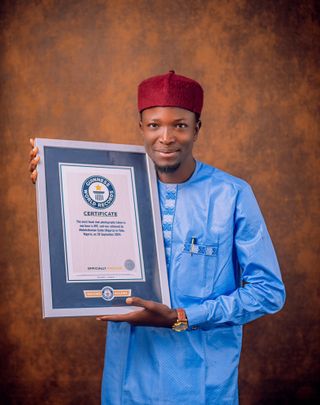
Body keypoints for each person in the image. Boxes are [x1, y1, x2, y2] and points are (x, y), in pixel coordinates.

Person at [29, 71, 285, 405]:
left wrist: (182, 317)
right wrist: (53, 186)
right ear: (141, 127)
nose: (166, 137)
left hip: (203, 383)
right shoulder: (116, 187)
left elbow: (268, 292)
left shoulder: (231, 194)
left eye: (179, 125)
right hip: (126, 382)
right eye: (154, 125)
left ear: (197, 128)